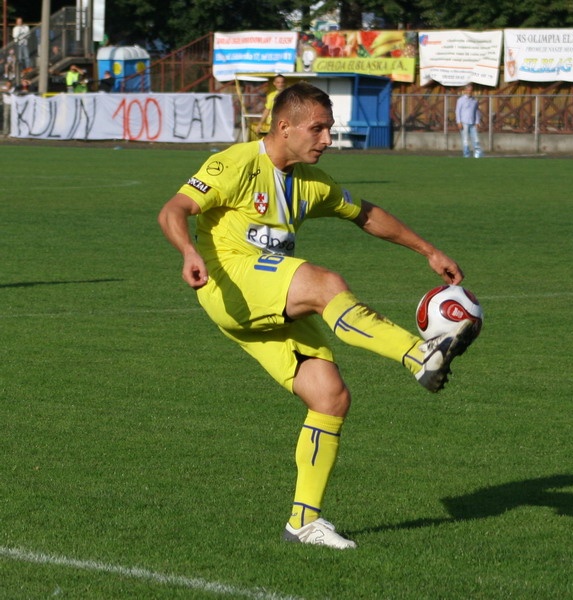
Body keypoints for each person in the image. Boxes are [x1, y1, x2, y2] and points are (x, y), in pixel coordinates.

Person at [158, 82, 478, 550]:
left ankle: (303, 521)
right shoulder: (235, 163)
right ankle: (418, 355)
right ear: (283, 127)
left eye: (329, 129)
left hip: (271, 302)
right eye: (319, 128)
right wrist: (188, 250)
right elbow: (174, 209)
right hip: (230, 281)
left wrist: (428, 250)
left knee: (329, 397)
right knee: (325, 283)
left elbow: (365, 214)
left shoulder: (312, 182)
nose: (327, 139)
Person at [455, 83, 483, 158]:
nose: (469, 92)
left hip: (473, 123)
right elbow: (457, 111)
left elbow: (477, 111)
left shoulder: (474, 100)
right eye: (468, 90)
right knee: (465, 140)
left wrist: (477, 122)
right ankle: (466, 155)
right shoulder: (460, 100)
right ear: (465, 91)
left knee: (476, 140)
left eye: (471, 90)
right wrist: (459, 122)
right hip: (464, 123)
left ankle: (478, 156)